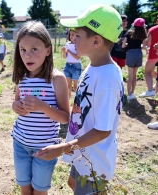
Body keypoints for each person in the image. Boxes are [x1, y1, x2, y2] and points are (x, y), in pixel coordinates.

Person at [33, 4, 124, 195]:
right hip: (83, 151)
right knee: (73, 184)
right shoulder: (94, 66)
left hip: (94, 163)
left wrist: (63, 148)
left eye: (78, 35)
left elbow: (102, 130)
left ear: (96, 41)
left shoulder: (107, 79)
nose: (72, 39)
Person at [11, 21, 70, 195]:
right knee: (25, 189)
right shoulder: (22, 77)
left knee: (39, 191)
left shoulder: (56, 79)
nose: (27, 55)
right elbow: (16, 101)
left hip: (45, 148)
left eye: (34, 49)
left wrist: (43, 106)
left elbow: (65, 117)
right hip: (20, 144)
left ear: (48, 50)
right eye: (23, 50)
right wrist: (16, 106)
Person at [121, 18, 147, 101]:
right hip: (139, 54)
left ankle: (128, 94)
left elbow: (123, 45)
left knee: (130, 76)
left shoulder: (129, 33)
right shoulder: (143, 34)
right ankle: (132, 92)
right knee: (135, 75)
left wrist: (128, 45)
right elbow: (143, 47)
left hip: (131, 54)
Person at [140, 15, 158, 97]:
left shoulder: (152, 29)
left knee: (147, 71)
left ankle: (150, 90)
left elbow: (148, 43)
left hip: (153, 54)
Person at [61, 28, 82, 98]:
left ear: (77, 35)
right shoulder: (67, 44)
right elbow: (64, 57)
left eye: (73, 34)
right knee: (68, 87)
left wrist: (69, 51)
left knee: (76, 87)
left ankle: (77, 105)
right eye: (70, 34)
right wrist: (64, 52)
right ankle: (67, 105)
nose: (71, 36)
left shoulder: (78, 44)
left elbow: (77, 57)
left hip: (76, 67)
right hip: (68, 66)